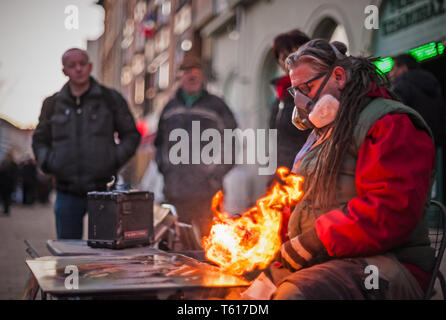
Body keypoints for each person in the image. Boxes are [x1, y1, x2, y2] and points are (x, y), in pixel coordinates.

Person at [268, 39, 436, 299]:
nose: (300, 101)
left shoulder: (391, 122)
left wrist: (314, 241)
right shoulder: (324, 134)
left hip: (389, 264)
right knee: (246, 290)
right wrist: (264, 232)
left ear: (338, 76)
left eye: (307, 87)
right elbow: (304, 204)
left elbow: (389, 211)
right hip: (329, 259)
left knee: (293, 296)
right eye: (295, 91)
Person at [32, 48, 141, 239]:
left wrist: (112, 160)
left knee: (104, 253)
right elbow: (40, 139)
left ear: (90, 66)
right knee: (68, 255)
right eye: (72, 65)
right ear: (64, 71)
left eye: (82, 64)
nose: (78, 69)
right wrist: (50, 163)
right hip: (67, 192)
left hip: (103, 191)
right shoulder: (53, 104)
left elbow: (131, 134)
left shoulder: (110, 99)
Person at [154, 54, 238, 240]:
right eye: (186, 71)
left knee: (210, 245)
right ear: (179, 76)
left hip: (207, 192)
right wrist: (166, 168)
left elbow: (231, 142)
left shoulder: (217, 106)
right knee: (178, 246)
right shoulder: (170, 107)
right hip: (175, 192)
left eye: (195, 71)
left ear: (202, 75)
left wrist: (215, 173)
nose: (191, 75)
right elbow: (159, 143)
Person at [269, 29, 311, 170]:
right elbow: (275, 139)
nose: (291, 60)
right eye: (285, 57)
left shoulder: (316, 91)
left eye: (296, 54)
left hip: (310, 172)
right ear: (279, 62)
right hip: (284, 175)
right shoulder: (280, 97)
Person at [389, 53, 445, 146]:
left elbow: (394, 114)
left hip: (412, 143)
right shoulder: (433, 83)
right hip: (434, 142)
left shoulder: (402, 85)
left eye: (393, 69)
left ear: (403, 68)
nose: (390, 73)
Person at [0, 151, 18, 215]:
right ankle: (5, 209)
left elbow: (15, 175)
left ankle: (7, 210)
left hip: (9, 184)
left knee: (7, 197)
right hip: (4, 184)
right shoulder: (4, 163)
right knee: (4, 197)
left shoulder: (12, 164)